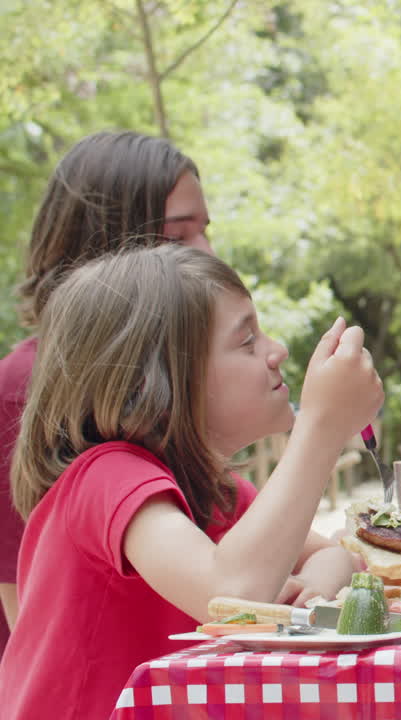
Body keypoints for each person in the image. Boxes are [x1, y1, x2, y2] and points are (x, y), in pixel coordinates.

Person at [0, 245, 383, 720]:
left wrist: (305, 589)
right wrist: (322, 428)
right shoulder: (105, 477)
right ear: (157, 381)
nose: (277, 351)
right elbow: (230, 594)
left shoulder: (215, 493)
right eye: (247, 341)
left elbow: (336, 556)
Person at [0, 130, 215, 659]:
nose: (207, 253)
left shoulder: (155, 384)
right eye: (178, 237)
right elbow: (24, 608)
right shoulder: (26, 391)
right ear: (109, 249)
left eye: (205, 232)